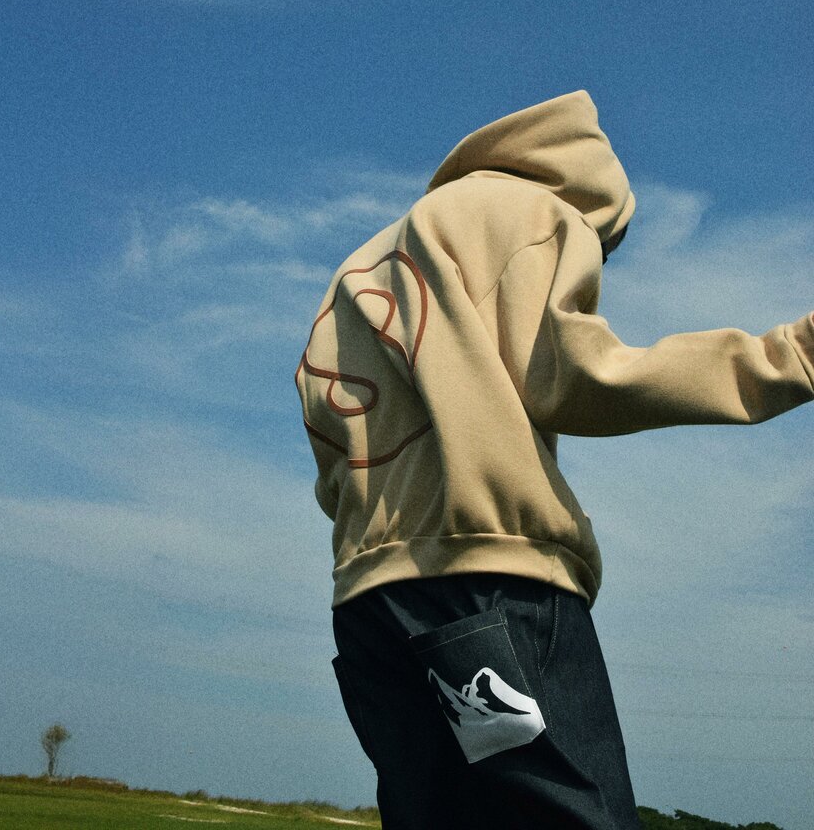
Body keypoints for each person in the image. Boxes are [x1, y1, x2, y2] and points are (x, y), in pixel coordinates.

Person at [294, 90, 814, 829]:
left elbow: (329, 430)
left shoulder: (366, 261)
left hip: (369, 605)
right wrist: (792, 357)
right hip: (488, 585)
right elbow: (574, 374)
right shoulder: (538, 215)